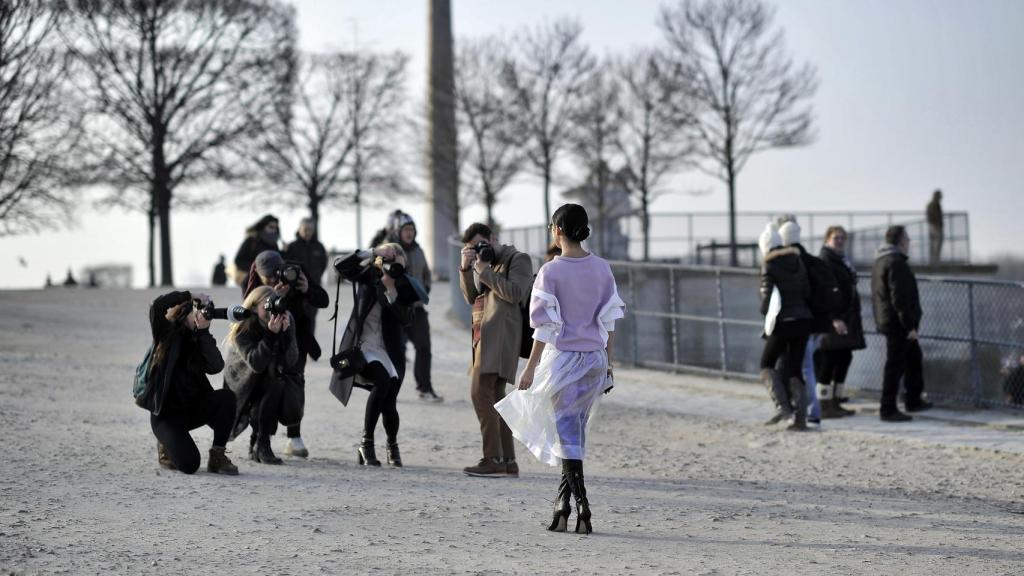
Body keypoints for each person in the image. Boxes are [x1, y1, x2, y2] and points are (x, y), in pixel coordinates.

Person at [496, 203, 624, 534]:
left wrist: (530, 368)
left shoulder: (551, 271)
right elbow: (609, 322)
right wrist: (609, 365)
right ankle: (562, 506)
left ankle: (583, 506)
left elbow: (544, 328)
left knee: (567, 433)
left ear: (557, 230)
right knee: (573, 433)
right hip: (595, 360)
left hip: (564, 359)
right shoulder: (602, 268)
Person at [329, 243, 420, 467]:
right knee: (381, 381)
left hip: (390, 350)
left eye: (400, 267)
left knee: (389, 402)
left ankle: (392, 444)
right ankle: (366, 442)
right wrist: (373, 252)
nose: (395, 271)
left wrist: (391, 291)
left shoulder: (405, 286)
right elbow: (339, 266)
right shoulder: (368, 275)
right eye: (392, 265)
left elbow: (407, 319)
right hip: (364, 346)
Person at [459, 222, 534, 477]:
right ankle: (508, 461)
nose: (481, 249)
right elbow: (472, 298)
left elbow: (515, 294)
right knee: (497, 397)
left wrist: (484, 270)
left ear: (493, 238)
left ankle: (492, 459)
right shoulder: (483, 264)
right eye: (473, 248)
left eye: (483, 244)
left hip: (502, 337)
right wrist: (466, 269)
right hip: (484, 335)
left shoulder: (518, 259)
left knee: (480, 392)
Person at [139, 290, 238, 475]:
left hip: (194, 410)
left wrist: (204, 334)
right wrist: (189, 295)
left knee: (226, 398)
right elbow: (157, 307)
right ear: (186, 311)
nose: (202, 313)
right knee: (190, 465)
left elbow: (216, 366)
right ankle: (166, 444)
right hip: (166, 417)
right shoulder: (165, 334)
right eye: (198, 309)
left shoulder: (200, 337)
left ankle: (218, 455)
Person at [243, 250, 329, 458]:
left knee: (294, 383)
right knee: (265, 385)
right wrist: (273, 297)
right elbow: (247, 313)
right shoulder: (252, 282)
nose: (274, 279)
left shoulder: (296, 272)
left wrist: (307, 289)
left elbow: (323, 300)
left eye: (276, 273)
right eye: (268, 277)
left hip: (296, 339)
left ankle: (294, 437)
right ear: (259, 273)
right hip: (267, 339)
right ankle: (259, 437)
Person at [223, 285, 303, 464]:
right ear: (252, 307)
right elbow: (256, 364)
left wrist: (285, 335)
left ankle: (262, 442)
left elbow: (290, 361)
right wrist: (271, 335)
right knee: (270, 379)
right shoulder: (242, 328)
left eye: (274, 305)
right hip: (241, 383)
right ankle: (260, 443)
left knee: (276, 382)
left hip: (268, 379)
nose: (271, 311)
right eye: (266, 306)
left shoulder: (284, 320)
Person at [872, 225, 933, 422]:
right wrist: (910, 326)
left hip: (891, 320)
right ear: (900, 241)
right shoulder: (895, 262)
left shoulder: (881, 260)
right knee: (895, 365)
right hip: (898, 324)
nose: (909, 242)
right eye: (907, 238)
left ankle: (913, 399)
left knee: (913, 358)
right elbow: (899, 297)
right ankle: (887, 408)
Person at [758, 222, 813, 431]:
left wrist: (766, 315)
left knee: (766, 364)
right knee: (795, 369)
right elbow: (807, 291)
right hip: (804, 320)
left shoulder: (769, 266)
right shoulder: (797, 260)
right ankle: (800, 418)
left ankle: (783, 407)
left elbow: (766, 301)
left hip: (783, 322)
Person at [386, 210, 443, 403]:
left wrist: (423, 289)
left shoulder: (419, 250)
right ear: (398, 231)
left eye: (412, 229)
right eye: (406, 229)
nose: (409, 233)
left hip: (417, 310)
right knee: (396, 351)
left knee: (424, 347)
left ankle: (425, 388)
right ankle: (389, 390)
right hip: (397, 311)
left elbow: (426, 274)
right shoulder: (390, 251)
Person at [815, 226, 864, 417]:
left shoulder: (842, 260)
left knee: (844, 358)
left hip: (847, 317)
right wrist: (834, 318)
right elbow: (826, 291)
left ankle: (836, 401)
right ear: (827, 239)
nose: (841, 241)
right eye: (836, 238)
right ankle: (823, 404)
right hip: (835, 319)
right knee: (829, 360)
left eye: (843, 238)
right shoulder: (826, 260)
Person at [233, 214, 281, 290]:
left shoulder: (274, 244)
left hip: (271, 282)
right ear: (263, 226)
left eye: (276, 227)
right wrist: (257, 270)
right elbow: (238, 260)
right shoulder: (251, 241)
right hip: (252, 281)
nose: (273, 230)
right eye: (271, 227)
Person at [284, 218, 328, 288]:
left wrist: (317, 275)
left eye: (310, 230)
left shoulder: (319, 246)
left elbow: (323, 264)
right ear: (299, 229)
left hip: (315, 284)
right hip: (297, 285)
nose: (308, 232)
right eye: (305, 229)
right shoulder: (292, 247)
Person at [926, 189, 943, 264]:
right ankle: (934, 261)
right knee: (935, 244)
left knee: (936, 244)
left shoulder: (936, 205)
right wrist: (935, 224)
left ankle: (935, 260)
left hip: (935, 226)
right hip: (935, 226)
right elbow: (930, 216)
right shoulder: (932, 205)